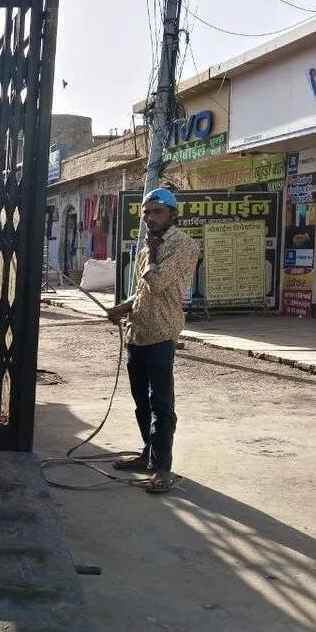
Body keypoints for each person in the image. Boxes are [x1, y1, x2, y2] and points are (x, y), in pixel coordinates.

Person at [105, 188, 199, 493]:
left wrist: (151, 252)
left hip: (161, 332)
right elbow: (143, 291)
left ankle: (161, 468)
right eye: (146, 212)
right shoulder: (146, 249)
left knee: (161, 404)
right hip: (137, 332)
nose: (149, 218)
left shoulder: (182, 246)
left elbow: (157, 283)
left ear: (172, 215)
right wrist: (123, 306)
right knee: (140, 402)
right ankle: (148, 452)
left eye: (156, 212)